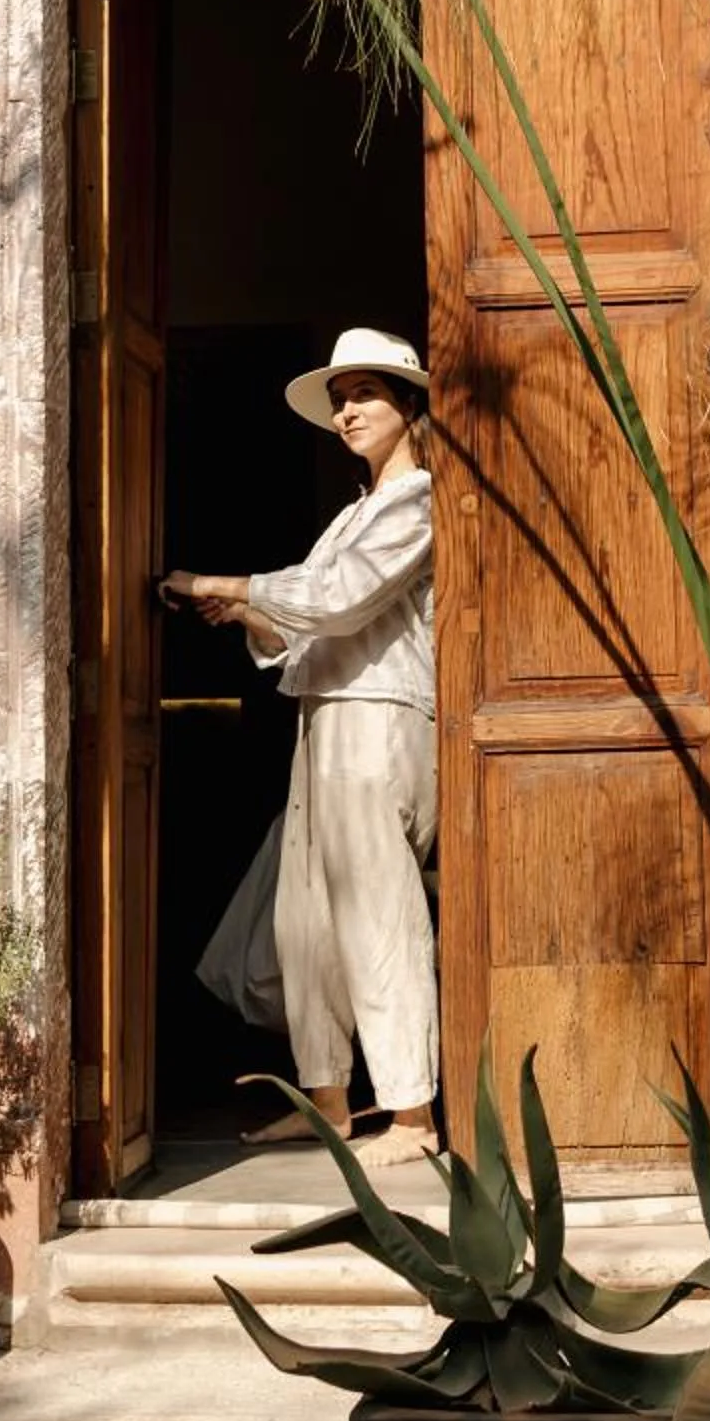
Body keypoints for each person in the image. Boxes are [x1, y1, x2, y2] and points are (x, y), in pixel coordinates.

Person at [163, 326, 439, 1167]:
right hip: (324, 714)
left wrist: (226, 582)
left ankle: (413, 1118)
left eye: (365, 394)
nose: (347, 410)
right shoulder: (355, 512)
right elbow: (308, 622)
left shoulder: (419, 500)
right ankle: (330, 1102)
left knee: (374, 912)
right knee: (305, 918)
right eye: (341, 398)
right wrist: (248, 614)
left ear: (407, 406)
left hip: (380, 715)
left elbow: (341, 599)